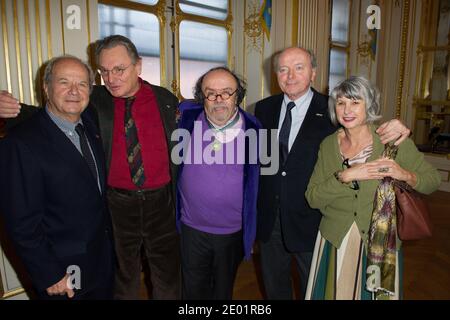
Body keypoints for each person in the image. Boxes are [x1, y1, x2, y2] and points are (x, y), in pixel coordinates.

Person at [0, 35, 180, 300]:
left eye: (119, 69)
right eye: (104, 71)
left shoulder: (165, 99)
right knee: (123, 277)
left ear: (138, 66)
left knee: (167, 274)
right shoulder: (96, 99)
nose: (112, 78)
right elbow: (55, 111)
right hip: (117, 205)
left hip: (162, 202)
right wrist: (10, 109)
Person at [254, 47, 412, 300]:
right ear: (276, 75)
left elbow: (365, 129)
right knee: (274, 288)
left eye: (299, 68)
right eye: (283, 69)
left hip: (312, 219)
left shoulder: (334, 108)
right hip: (269, 220)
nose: (290, 75)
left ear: (313, 73)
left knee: (315, 289)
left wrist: (399, 126)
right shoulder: (263, 109)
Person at [305, 76, 440, 299]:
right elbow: (312, 197)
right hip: (336, 239)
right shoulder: (328, 145)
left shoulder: (392, 141)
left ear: (369, 106)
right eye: (341, 103)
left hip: (381, 242)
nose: (347, 109)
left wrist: (403, 174)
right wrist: (345, 177)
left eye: (355, 102)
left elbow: (432, 180)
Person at [0, 55, 115, 299]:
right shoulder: (21, 144)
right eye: (64, 82)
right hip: (62, 271)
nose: (74, 91)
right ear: (46, 87)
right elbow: (21, 223)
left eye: (82, 84)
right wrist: (48, 273)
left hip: (101, 260)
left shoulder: (90, 123)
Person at [176, 67, 261, 299]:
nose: (219, 100)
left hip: (231, 232)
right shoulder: (185, 119)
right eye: (211, 93)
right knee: (192, 292)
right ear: (202, 97)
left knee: (222, 292)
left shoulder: (256, 130)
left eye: (226, 92)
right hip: (191, 228)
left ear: (238, 96)